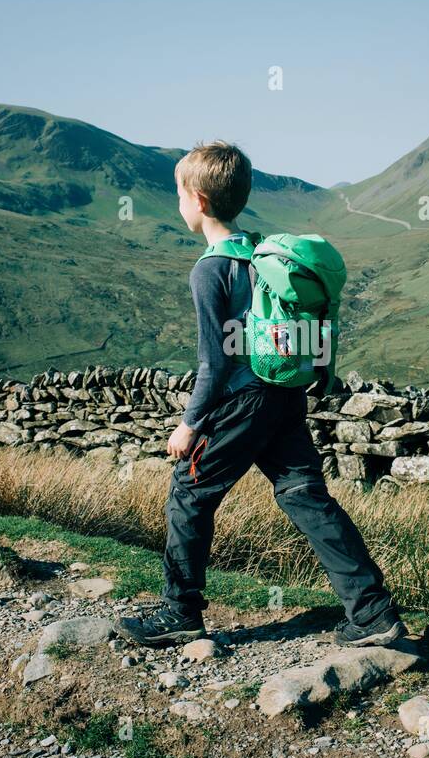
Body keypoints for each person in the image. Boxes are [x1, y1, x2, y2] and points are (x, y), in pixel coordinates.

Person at [115, 141, 404, 648]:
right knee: (306, 496)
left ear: (198, 200)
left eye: (179, 194)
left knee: (189, 495)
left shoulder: (210, 269)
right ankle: (373, 613)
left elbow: (215, 360)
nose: (178, 204)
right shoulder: (264, 254)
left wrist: (189, 425)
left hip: (240, 404)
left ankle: (179, 611)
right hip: (283, 395)